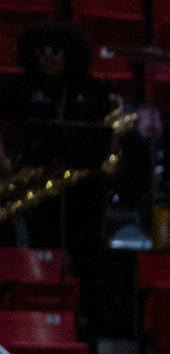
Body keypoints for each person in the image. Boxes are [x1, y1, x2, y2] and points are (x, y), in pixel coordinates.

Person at [0, 22, 116, 324]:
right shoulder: (22, 87)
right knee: (41, 256)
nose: (48, 57)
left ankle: (87, 328)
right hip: (39, 193)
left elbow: (110, 134)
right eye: (41, 52)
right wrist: (4, 161)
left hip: (84, 192)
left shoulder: (93, 89)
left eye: (55, 51)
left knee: (87, 261)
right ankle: (39, 322)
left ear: (70, 53)